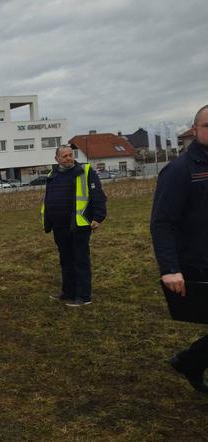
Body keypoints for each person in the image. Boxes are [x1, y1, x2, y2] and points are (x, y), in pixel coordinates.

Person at [151, 104, 208, 393]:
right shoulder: (179, 170)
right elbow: (162, 223)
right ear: (195, 130)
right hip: (198, 262)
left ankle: (190, 361)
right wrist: (170, 269)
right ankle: (190, 361)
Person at [41, 144, 107, 307]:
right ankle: (68, 292)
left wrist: (98, 217)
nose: (69, 158)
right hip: (59, 227)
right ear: (57, 159)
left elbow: (98, 195)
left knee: (80, 260)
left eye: (70, 155)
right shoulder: (52, 174)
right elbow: (48, 198)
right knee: (66, 261)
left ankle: (84, 297)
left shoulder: (85, 172)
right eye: (64, 156)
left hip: (80, 225)